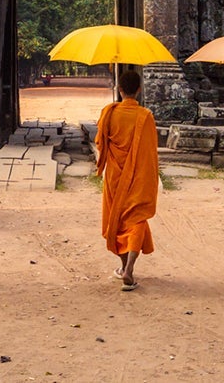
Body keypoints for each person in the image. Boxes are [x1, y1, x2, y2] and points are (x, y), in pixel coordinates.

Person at [94, 67, 159, 292]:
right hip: (139, 176)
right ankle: (129, 267)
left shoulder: (109, 113)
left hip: (115, 176)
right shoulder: (145, 117)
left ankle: (123, 267)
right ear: (139, 90)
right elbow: (152, 151)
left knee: (118, 218)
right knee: (136, 218)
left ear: (119, 89)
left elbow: (100, 143)